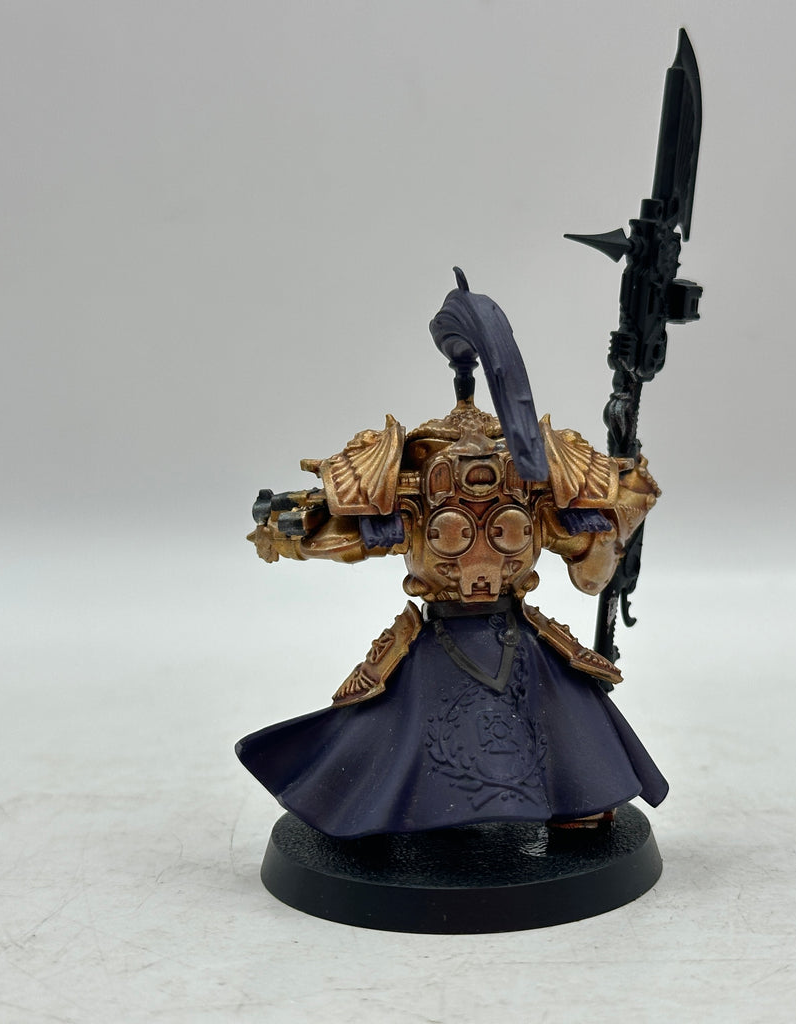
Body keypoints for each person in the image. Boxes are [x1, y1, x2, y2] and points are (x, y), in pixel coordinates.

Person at [236, 271, 668, 838]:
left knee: (569, 738)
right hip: (440, 637)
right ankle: (409, 812)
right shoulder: (413, 501)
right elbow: (343, 535)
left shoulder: (537, 496)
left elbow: (591, 575)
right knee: (407, 741)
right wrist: (294, 533)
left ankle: (577, 797)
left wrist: (614, 520)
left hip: (515, 634)